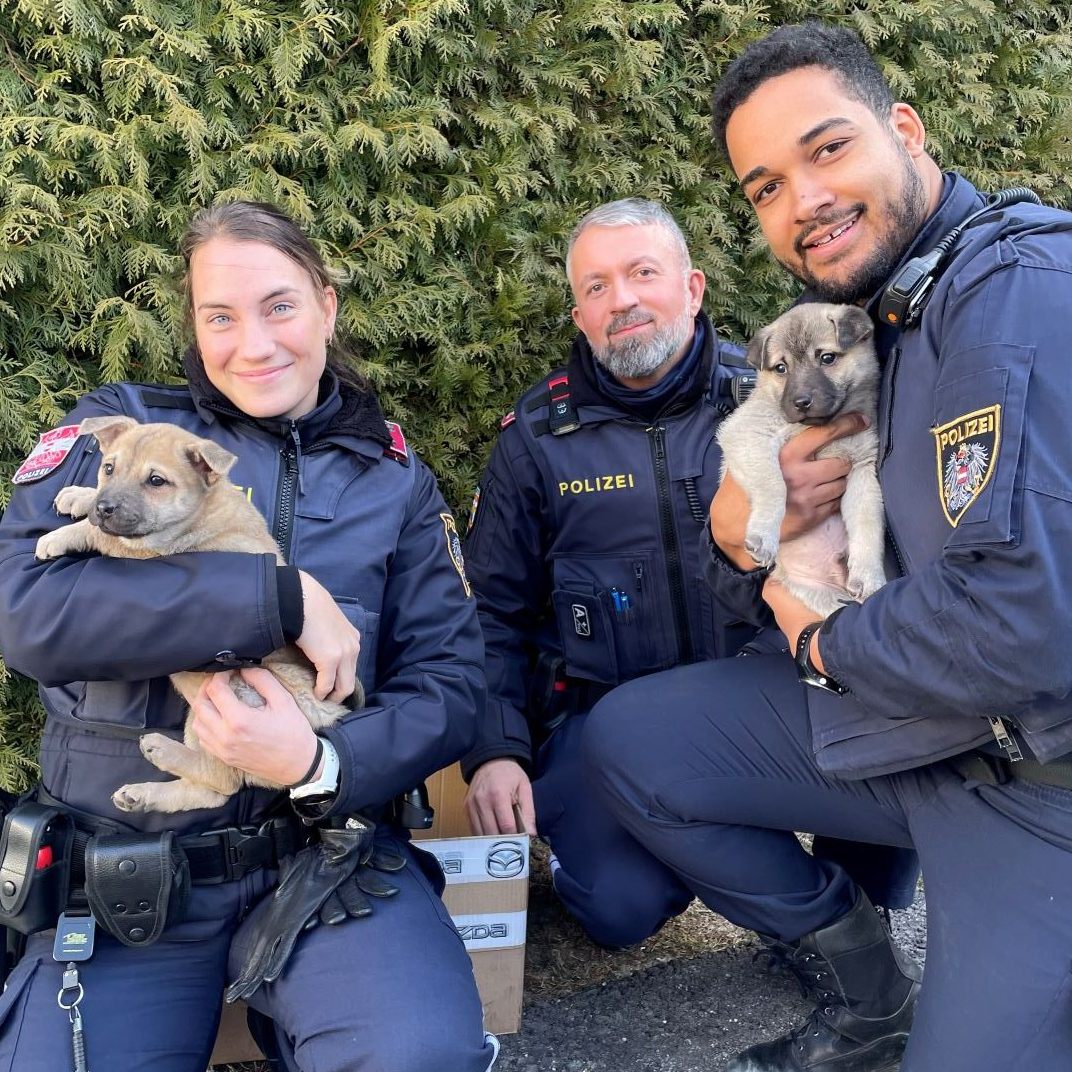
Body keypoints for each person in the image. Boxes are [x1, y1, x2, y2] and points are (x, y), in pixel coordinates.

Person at [584, 20, 1072, 1072]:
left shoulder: (1010, 296)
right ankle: (869, 987)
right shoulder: (882, 311)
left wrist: (816, 642)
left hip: (1037, 786)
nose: (801, 200)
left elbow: (1017, 627)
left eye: (827, 148)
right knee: (629, 741)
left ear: (904, 127)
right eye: (764, 186)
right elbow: (789, 538)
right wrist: (737, 531)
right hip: (926, 736)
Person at [0, 201, 499, 1072]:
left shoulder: (394, 481)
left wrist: (320, 765)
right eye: (219, 317)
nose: (254, 344)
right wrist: (275, 598)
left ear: (327, 306)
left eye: (279, 306)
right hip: (128, 872)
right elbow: (27, 611)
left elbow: (451, 685)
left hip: (325, 860)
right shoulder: (119, 431)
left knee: (416, 1054)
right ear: (193, 324)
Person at [461, 198, 917, 949]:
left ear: (695, 287)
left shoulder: (781, 394)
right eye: (597, 286)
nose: (624, 300)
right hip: (599, 714)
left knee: (890, 800)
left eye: (643, 273)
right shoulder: (537, 439)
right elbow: (492, 613)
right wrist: (495, 751)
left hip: (759, 691)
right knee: (621, 908)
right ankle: (694, 849)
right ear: (579, 315)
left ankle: (835, 923)